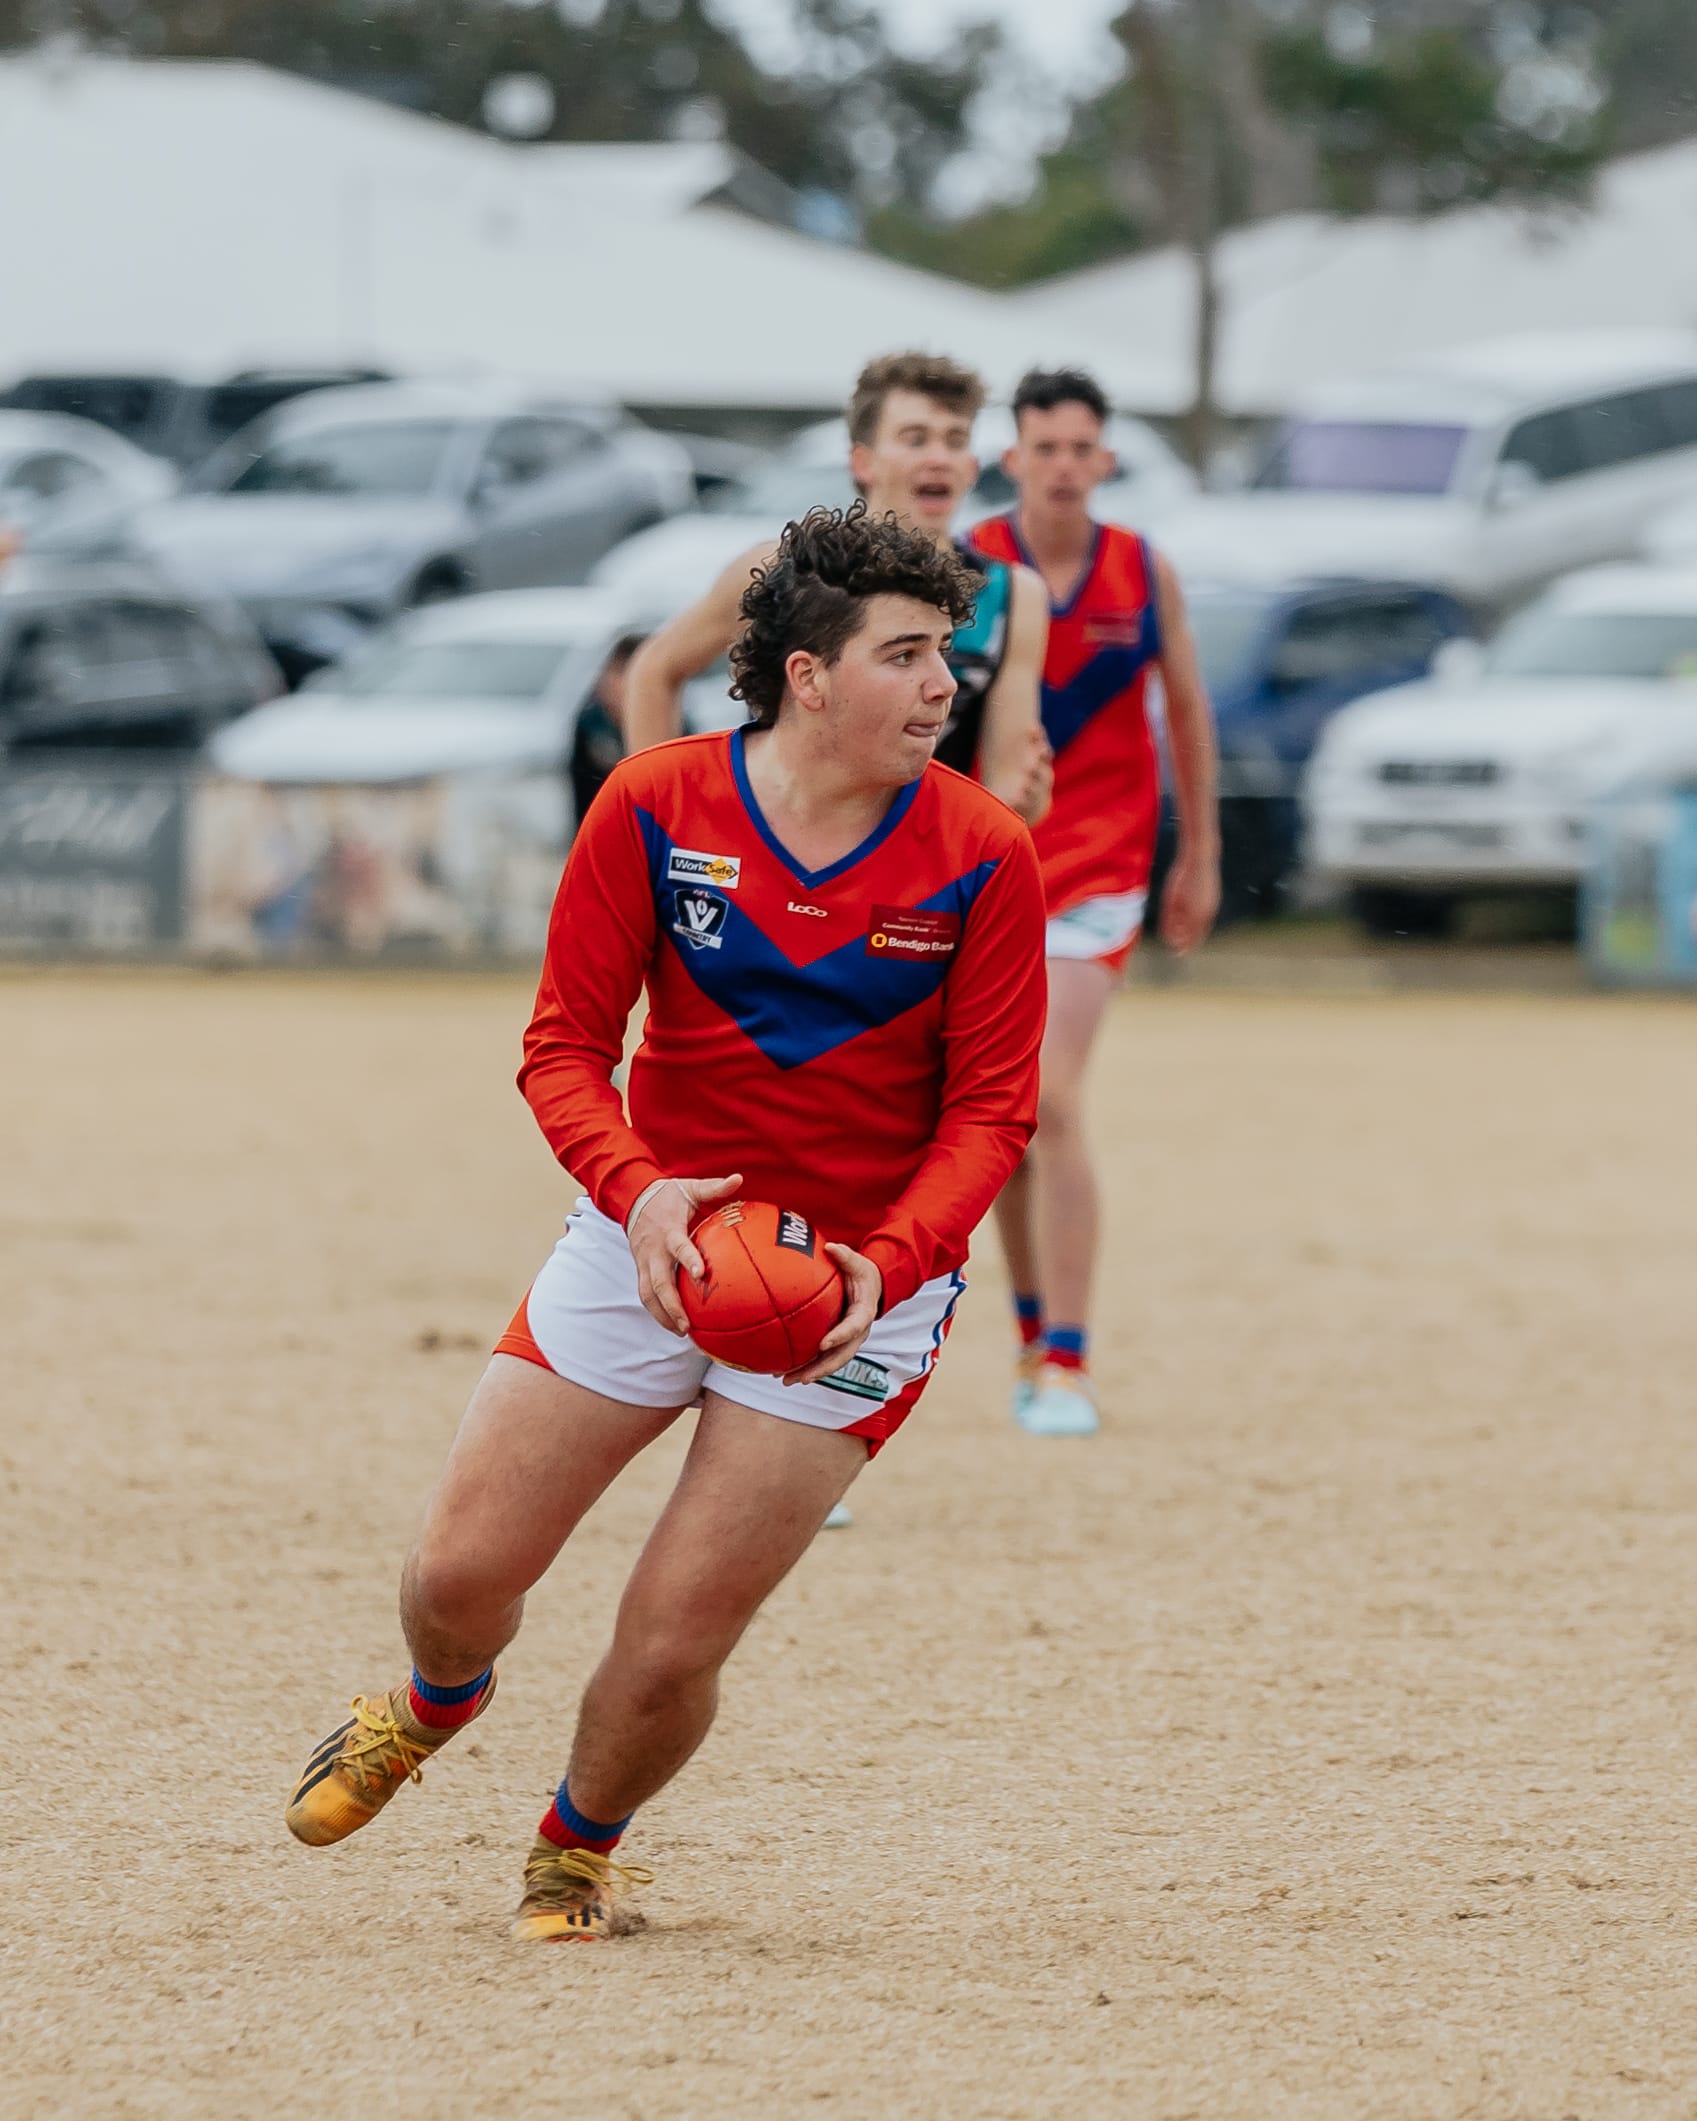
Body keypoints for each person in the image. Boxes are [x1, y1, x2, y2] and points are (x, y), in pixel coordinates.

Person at [283, 506, 1048, 1942]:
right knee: (458, 1575)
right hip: (643, 1243)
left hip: (850, 1295)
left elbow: (992, 1117)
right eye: (908, 655)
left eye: (946, 652)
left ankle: (574, 1850)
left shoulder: (983, 854)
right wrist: (634, 1195)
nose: (946, 683)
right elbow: (561, 1044)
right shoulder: (655, 803)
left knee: (668, 1641)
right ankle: (438, 1699)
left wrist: (879, 1268)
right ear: (809, 677)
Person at [969, 368, 1220, 1439]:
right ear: (1013, 457)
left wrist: (1197, 853)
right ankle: (1032, 1338)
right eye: (1045, 447)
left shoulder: (1138, 569)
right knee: (1002, 1120)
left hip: (1101, 872)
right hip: (988, 869)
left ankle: (1065, 1359)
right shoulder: (971, 564)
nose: (1064, 466)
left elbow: (1187, 714)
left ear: (1105, 460)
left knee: (1049, 1099)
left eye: (1082, 448)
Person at [626, 351, 1052, 829]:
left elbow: (1006, 790)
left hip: (907, 871)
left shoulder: (1011, 594)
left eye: (955, 441)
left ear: (972, 466)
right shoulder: (776, 568)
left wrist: (1022, 809)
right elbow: (655, 670)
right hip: (771, 854)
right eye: (915, 439)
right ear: (862, 461)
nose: (938, 458)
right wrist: (658, 825)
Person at [569, 630, 645, 829]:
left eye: (622, 674)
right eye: (611, 672)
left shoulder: (672, 720)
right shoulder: (591, 725)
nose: (612, 683)